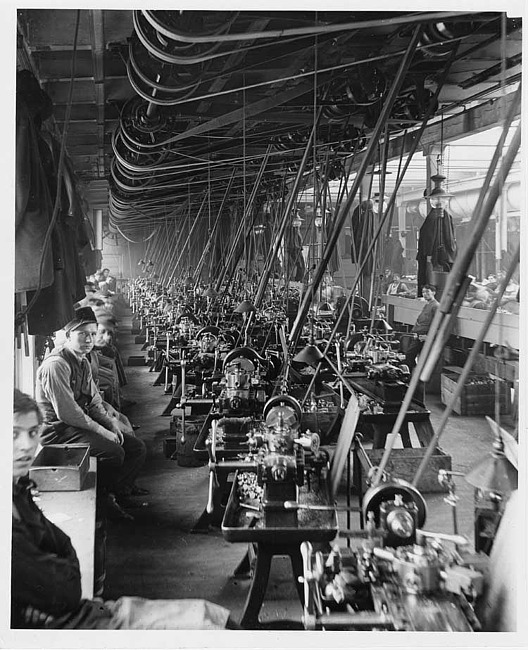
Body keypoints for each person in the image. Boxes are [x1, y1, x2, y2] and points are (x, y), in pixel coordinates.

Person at [11, 389, 236, 630]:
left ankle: (114, 494)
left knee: (210, 614)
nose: (26, 445)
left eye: (33, 433)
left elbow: (63, 552)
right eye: (13, 434)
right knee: (208, 624)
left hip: (82, 610)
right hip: (63, 628)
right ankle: (111, 495)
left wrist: (114, 422)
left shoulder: (18, 492)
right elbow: (64, 588)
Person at [35, 307, 147, 518]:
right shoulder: (57, 365)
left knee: (137, 448)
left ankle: (120, 492)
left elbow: (94, 401)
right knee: (114, 452)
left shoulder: (83, 360)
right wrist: (103, 432)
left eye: (93, 334)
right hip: (58, 431)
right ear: (68, 336)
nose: (89, 340)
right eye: (83, 334)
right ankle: (105, 501)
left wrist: (111, 423)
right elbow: (68, 413)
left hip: (77, 425)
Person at [404, 284, 439, 371]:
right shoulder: (427, 305)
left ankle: (413, 375)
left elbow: (438, 325)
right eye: (423, 292)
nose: (424, 294)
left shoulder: (436, 306)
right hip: (418, 335)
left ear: (434, 293)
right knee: (411, 355)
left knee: (410, 354)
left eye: (427, 292)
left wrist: (429, 337)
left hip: (424, 336)